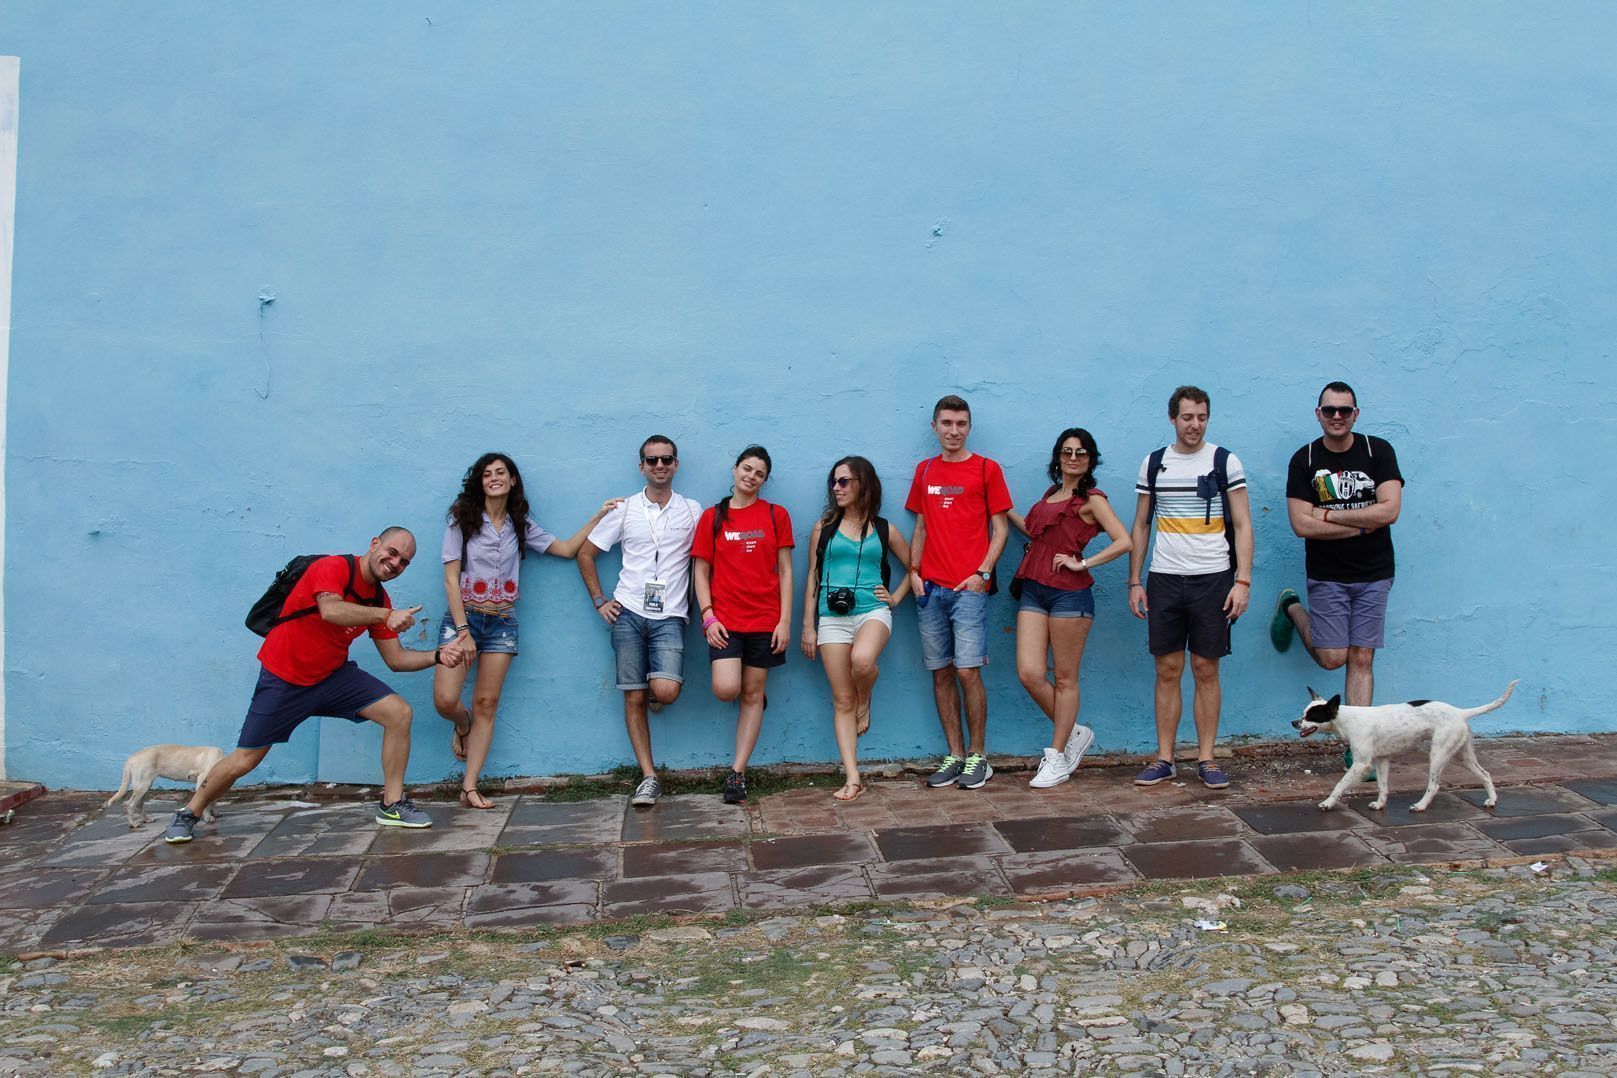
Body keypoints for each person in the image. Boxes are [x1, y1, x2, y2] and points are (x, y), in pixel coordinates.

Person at [164, 528, 465, 843]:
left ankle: (392, 804)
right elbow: (331, 610)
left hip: (332, 677)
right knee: (245, 759)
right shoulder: (334, 567)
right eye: (392, 553)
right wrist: (385, 616)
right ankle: (189, 812)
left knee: (398, 713)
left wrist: (438, 656)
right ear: (374, 543)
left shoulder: (378, 598)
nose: (395, 563)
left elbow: (396, 659)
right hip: (285, 678)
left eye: (404, 562)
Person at [433, 452, 622, 809]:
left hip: (502, 623)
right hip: (464, 618)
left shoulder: (520, 524)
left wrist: (599, 515)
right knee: (445, 700)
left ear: (512, 480)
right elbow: (450, 580)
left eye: (500, 472)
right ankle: (462, 723)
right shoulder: (463, 520)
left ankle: (469, 786)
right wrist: (463, 630)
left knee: (487, 702)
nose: (494, 478)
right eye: (487, 474)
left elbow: (566, 549)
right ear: (479, 482)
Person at [1272, 381, 1404, 772]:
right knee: (1333, 659)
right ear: (1318, 414)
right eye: (1329, 410)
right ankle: (1291, 608)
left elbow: (1389, 511)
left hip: (1375, 572)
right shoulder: (1305, 459)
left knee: (1362, 657)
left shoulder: (1378, 451)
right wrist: (1363, 524)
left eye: (1344, 410)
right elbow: (1301, 525)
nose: (1336, 417)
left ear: (1355, 414)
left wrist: (1328, 515)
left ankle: (1358, 750)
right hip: (1328, 574)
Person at [1127, 386, 1254, 790]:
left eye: (1201, 417)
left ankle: (1207, 759)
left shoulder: (1224, 461)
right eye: (1187, 417)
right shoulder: (1154, 463)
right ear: (1173, 419)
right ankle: (1164, 758)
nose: (1194, 424)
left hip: (1213, 578)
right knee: (1167, 669)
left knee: (1205, 668)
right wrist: (1135, 580)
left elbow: (1243, 523)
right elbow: (1141, 524)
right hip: (1164, 578)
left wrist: (1242, 581)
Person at [577, 435, 702, 808]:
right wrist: (600, 601)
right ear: (641, 466)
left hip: (671, 615)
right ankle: (649, 777)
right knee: (633, 696)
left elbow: (709, 560)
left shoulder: (692, 510)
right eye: (652, 460)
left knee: (665, 692)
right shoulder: (624, 509)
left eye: (666, 459)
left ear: (676, 464)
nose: (659, 465)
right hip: (628, 612)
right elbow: (586, 554)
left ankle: (654, 688)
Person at [1008, 427, 1132, 789]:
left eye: (1081, 452)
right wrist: (1001, 508)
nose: (1073, 458)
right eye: (1067, 451)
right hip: (1034, 589)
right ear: (1058, 457)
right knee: (1030, 673)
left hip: (1070, 596)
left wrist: (1084, 563)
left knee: (1065, 678)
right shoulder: (1050, 495)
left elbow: (1124, 541)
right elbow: (1036, 531)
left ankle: (1057, 757)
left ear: (1090, 460)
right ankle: (1076, 732)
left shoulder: (1093, 500)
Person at [907, 394, 1013, 791]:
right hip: (930, 589)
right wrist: (914, 572)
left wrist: (982, 573)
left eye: (961, 424)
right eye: (947, 423)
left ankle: (978, 756)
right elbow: (920, 527)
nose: (954, 431)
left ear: (969, 427)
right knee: (941, 672)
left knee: (968, 671)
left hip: (969, 588)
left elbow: (1000, 530)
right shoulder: (925, 470)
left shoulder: (986, 469)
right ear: (934, 427)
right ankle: (954, 755)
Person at [801, 455, 913, 802]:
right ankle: (852, 777)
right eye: (834, 482)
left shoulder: (884, 529)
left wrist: (895, 597)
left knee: (863, 662)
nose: (836, 488)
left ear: (863, 484)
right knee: (841, 699)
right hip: (831, 617)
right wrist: (808, 625)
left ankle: (866, 696)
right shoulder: (824, 528)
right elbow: (813, 577)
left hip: (872, 611)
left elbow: (916, 566)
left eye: (844, 481)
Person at [691, 446, 795, 805]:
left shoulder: (776, 515)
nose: (751, 476)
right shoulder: (712, 517)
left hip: (765, 620)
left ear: (765, 480)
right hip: (725, 621)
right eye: (747, 469)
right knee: (726, 689)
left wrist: (784, 621)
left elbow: (786, 571)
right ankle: (751, 691)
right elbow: (700, 571)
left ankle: (737, 772)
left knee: (750, 694)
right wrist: (708, 615)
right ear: (735, 470)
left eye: (759, 473)